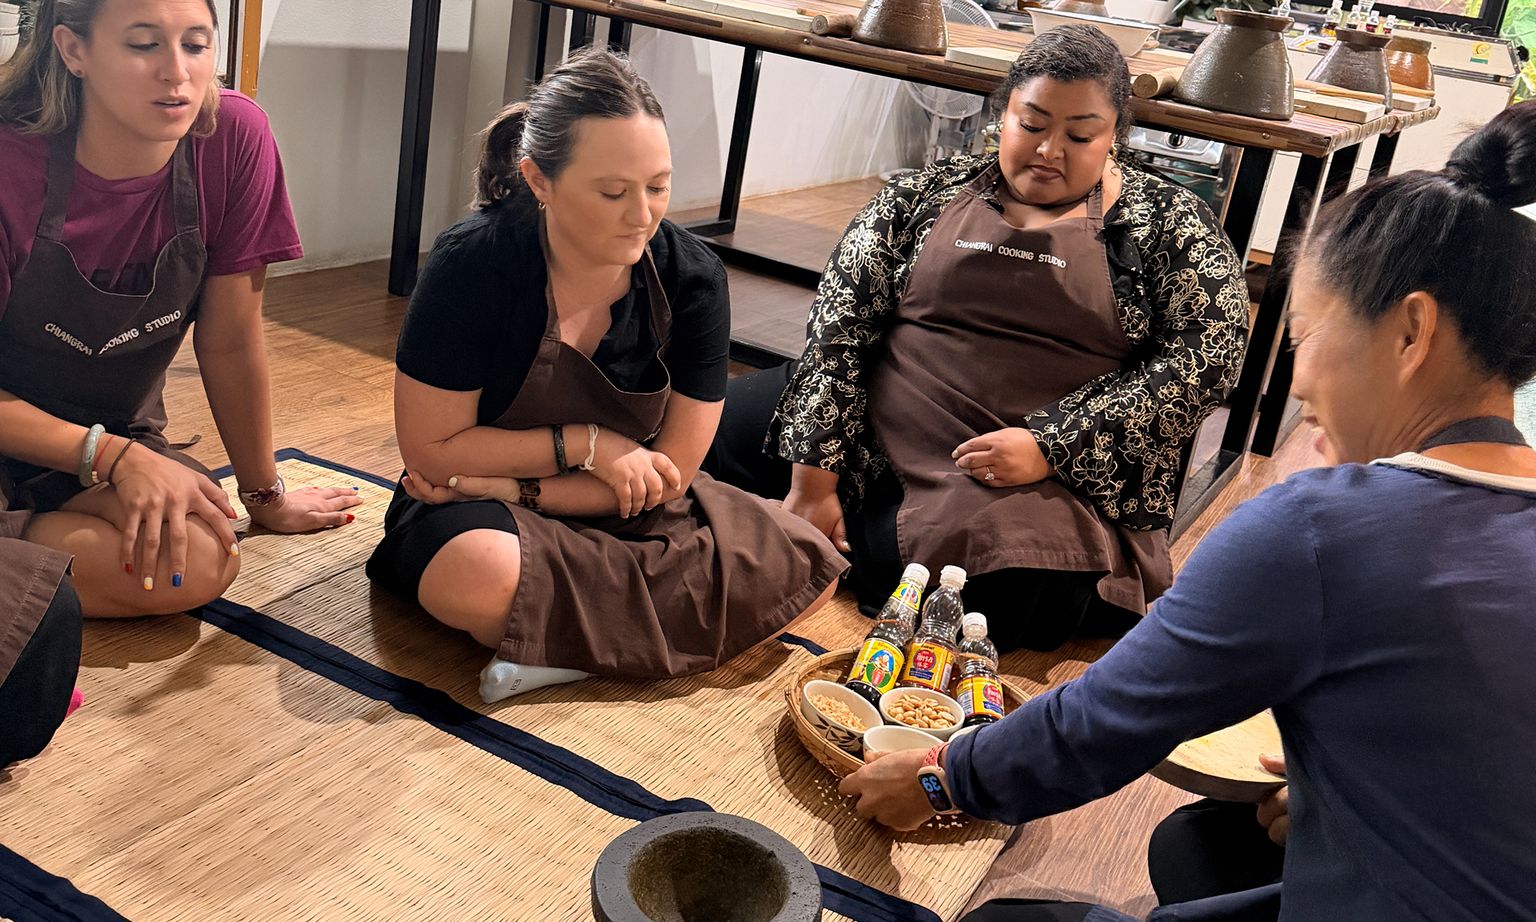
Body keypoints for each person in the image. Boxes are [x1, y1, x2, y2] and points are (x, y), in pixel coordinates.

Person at [839, 102, 1536, 922]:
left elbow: (1100, 722)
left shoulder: (1317, 531)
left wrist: (940, 777)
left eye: (1304, 335)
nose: (1298, 379)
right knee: (1199, 846)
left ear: (1411, 331)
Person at [705, 26, 1248, 651]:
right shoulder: (923, 195)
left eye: (1079, 135)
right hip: (884, 418)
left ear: (1115, 135)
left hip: (1013, 455)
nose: (1049, 151)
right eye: (1033, 123)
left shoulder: (1168, 226)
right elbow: (838, 334)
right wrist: (813, 483)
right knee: (708, 435)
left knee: (1015, 577)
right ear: (1003, 112)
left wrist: (1054, 445)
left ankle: (836, 541)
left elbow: (1207, 360)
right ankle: (835, 527)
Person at [365, 49, 847, 703]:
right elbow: (431, 453)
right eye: (614, 192)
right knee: (479, 576)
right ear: (539, 180)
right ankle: (618, 641)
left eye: (658, 186)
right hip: (482, 513)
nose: (642, 214)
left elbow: (671, 473)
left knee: (806, 566)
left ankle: (554, 647)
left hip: (625, 505)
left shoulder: (693, 279)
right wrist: (593, 446)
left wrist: (510, 479)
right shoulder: (472, 265)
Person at [0, 0, 363, 630]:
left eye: (196, 46)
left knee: (197, 559)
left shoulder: (233, 137)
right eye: (144, 45)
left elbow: (230, 342)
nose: (178, 74)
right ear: (72, 50)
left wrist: (263, 495)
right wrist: (111, 458)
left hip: (112, 436)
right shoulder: (10, 159)